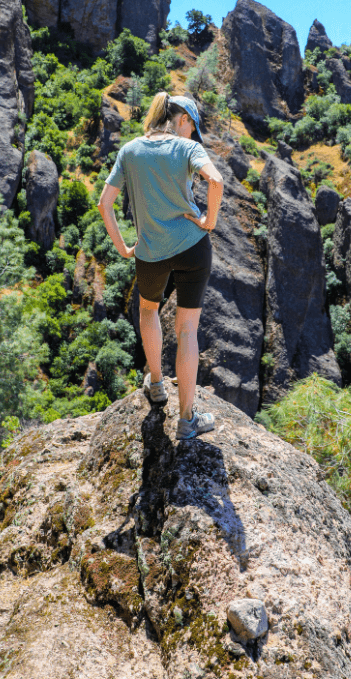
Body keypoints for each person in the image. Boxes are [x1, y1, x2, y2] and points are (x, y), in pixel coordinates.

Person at [97, 91, 224, 440]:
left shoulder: (130, 150)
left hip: (150, 252)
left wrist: (124, 247)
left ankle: (156, 384)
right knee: (187, 330)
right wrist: (209, 222)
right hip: (193, 247)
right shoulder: (187, 149)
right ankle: (187, 421)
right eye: (192, 128)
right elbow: (216, 181)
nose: (192, 135)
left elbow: (104, 204)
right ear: (182, 119)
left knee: (148, 311)